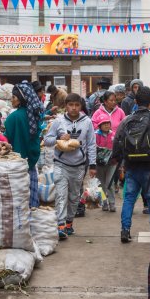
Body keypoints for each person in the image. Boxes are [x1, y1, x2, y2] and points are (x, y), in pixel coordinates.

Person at [111, 87, 150, 243]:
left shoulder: (126, 120)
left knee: (129, 198)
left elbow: (117, 141)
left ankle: (125, 230)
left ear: (135, 101)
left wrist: (118, 160)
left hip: (131, 165)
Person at [43, 93, 97, 238]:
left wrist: (92, 165)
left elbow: (91, 144)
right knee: (61, 195)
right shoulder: (58, 121)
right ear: (66, 106)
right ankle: (60, 225)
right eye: (70, 105)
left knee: (74, 197)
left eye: (77, 105)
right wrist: (58, 138)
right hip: (61, 164)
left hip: (79, 166)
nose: (73, 108)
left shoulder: (87, 122)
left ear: (81, 106)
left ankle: (69, 223)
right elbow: (46, 140)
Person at [4, 81, 45, 208]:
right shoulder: (33, 116)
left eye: (14, 97)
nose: (12, 100)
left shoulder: (13, 117)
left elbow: (6, 140)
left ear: (21, 99)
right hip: (30, 163)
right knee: (30, 200)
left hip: (15, 166)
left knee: (19, 200)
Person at [91, 110, 118, 212]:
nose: (106, 126)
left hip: (112, 163)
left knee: (109, 183)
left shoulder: (114, 135)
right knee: (101, 184)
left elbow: (117, 147)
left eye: (108, 123)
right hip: (99, 164)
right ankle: (104, 202)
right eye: (104, 124)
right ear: (99, 125)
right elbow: (93, 148)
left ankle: (112, 203)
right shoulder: (95, 135)